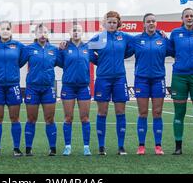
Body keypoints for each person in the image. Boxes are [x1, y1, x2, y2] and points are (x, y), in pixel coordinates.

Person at [88, 11, 134, 155]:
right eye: (109, 22)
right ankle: (101, 147)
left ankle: (121, 147)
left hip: (120, 79)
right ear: (105, 23)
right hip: (103, 79)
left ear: (118, 23)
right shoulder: (99, 38)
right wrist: (99, 62)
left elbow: (133, 47)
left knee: (120, 112)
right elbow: (88, 51)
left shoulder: (124, 37)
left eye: (114, 22)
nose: (112, 24)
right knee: (102, 112)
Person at [127, 13, 173, 155]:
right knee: (143, 113)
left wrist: (168, 38)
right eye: (148, 21)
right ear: (144, 24)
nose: (151, 23)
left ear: (156, 23)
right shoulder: (136, 40)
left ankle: (158, 146)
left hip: (158, 80)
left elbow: (174, 51)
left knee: (157, 112)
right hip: (141, 80)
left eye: (153, 21)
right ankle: (141, 146)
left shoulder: (163, 39)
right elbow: (124, 52)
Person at [169, 8, 193, 155]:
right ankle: (178, 147)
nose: (189, 18)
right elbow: (171, 51)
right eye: (187, 16)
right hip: (179, 76)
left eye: (192, 16)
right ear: (182, 18)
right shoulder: (175, 33)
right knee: (179, 112)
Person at [20, 24, 60, 156]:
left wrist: (66, 47)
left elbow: (64, 62)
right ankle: (28, 148)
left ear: (48, 34)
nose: (42, 35)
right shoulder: (29, 49)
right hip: (32, 88)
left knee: (50, 118)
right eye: (39, 32)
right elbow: (18, 63)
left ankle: (53, 148)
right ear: (35, 34)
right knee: (31, 118)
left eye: (45, 32)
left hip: (48, 89)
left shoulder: (54, 50)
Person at [0, 21, 25, 157]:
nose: (5, 31)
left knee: (15, 118)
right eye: (2, 28)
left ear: (11, 30)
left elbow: (22, 60)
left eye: (7, 28)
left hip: (13, 85)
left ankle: (16, 148)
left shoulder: (19, 46)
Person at [57, 23, 92, 156]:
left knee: (85, 118)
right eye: (74, 30)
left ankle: (86, 147)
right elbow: (59, 62)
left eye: (78, 30)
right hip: (69, 87)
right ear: (70, 33)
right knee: (68, 118)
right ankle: (67, 146)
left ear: (82, 32)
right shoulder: (64, 48)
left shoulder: (87, 47)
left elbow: (97, 59)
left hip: (83, 87)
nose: (76, 32)